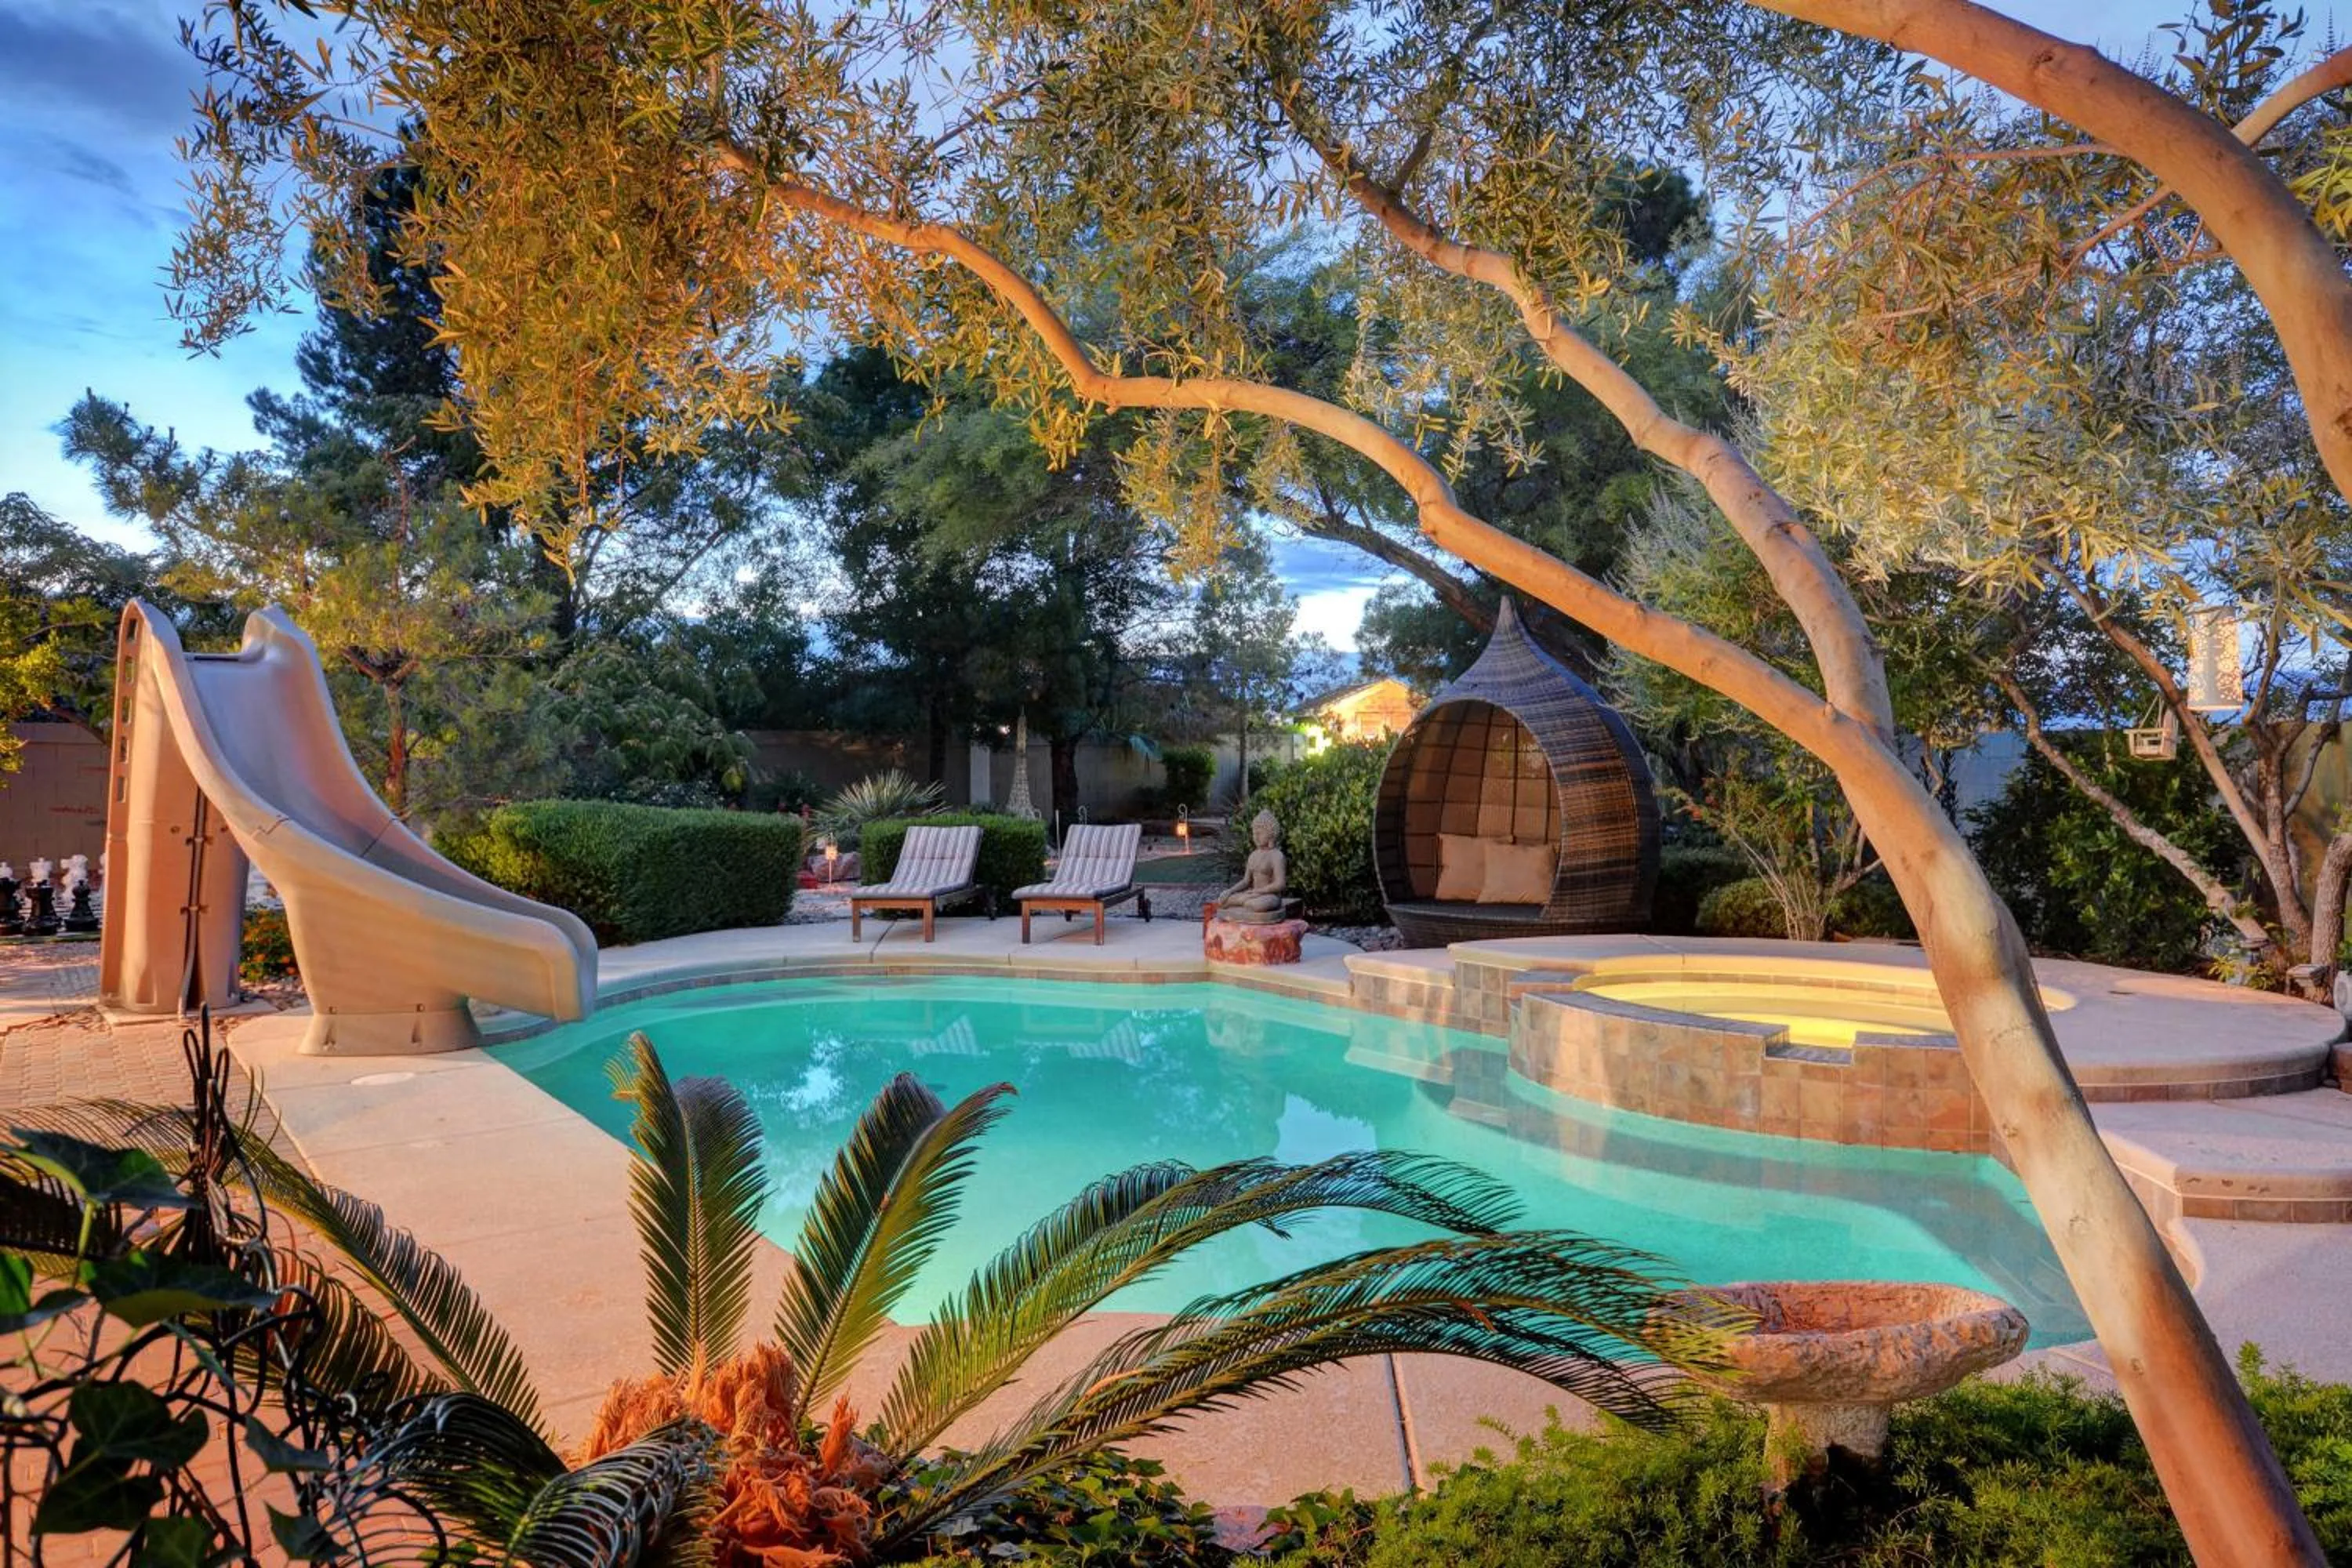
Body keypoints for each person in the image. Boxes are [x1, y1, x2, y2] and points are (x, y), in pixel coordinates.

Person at [1215, 810, 1289, 924]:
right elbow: (1246, 881)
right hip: (1252, 894)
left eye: (1260, 833)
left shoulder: (1277, 856)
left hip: (1270, 896)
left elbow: (1280, 884)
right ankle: (1244, 902)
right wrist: (1230, 891)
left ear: (1270, 834)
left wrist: (1259, 892)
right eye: (1254, 833)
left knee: (1256, 905)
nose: (1256, 837)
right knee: (1223, 901)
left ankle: (1245, 903)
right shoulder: (1253, 855)